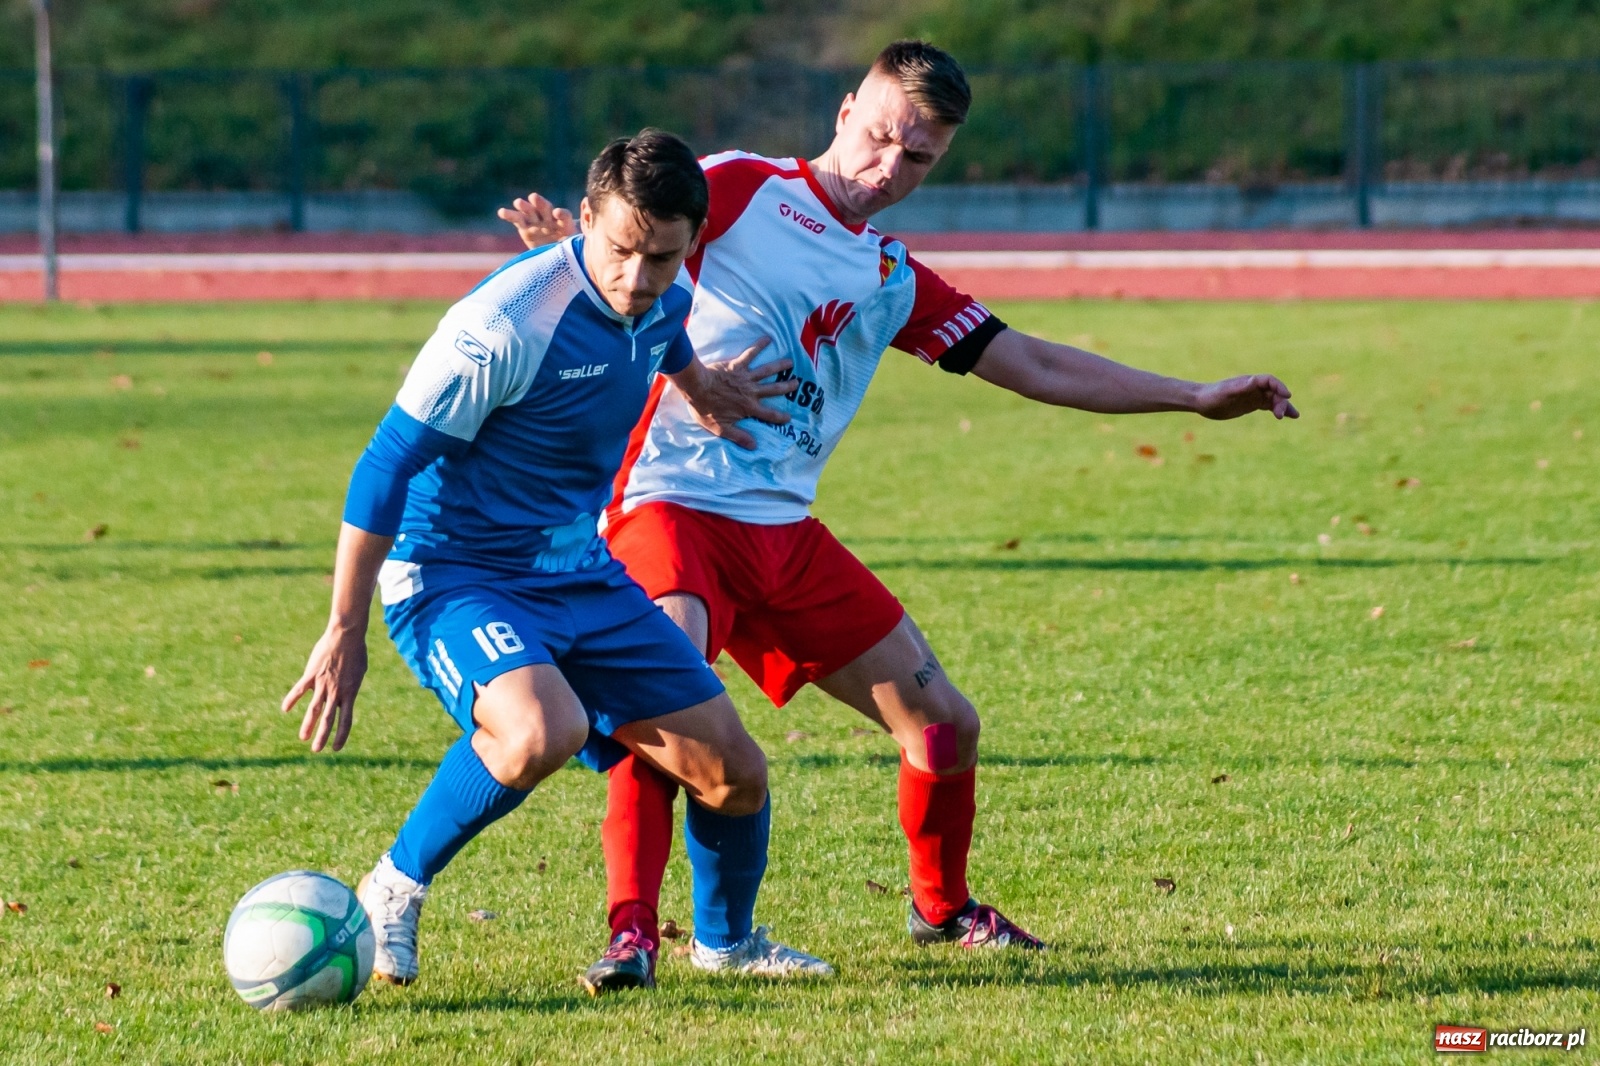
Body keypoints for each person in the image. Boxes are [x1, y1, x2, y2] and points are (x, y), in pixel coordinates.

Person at [499, 40, 1299, 994]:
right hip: (671, 507)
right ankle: (634, 936)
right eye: (880, 137)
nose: (888, 168)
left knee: (945, 726)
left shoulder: (892, 277)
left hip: (786, 533)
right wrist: (571, 256)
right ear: (846, 111)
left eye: (918, 157)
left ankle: (942, 909)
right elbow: (633, 252)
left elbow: (1032, 362)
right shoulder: (740, 187)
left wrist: (1193, 397)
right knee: (667, 707)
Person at [282, 129, 834, 988]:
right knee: (542, 728)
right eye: (619, 249)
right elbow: (384, 464)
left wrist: (703, 388)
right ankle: (393, 888)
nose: (637, 278)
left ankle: (727, 946)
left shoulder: (671, 294)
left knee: (735, 775)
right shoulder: (503, 323)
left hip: (579, 569)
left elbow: (663, 334)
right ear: (585, 219)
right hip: (454, 570)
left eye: (662, 257)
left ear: (691, 241)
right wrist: (343, 629)